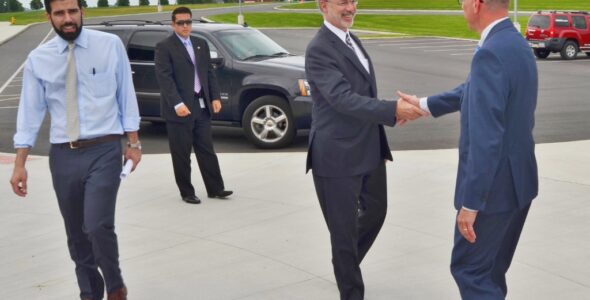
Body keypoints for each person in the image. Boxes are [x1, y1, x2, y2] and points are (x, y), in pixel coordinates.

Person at [398, 0, 538, 298]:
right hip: (519, 184)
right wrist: (424, 105)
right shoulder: (514, 42)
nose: (460, 5)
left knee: (470, 272)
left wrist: (471, 204)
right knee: (491, 272)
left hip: (492, 194)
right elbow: (473, 90)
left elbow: (486, 140)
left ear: (477, 4)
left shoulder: (490, 52)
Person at [9, 0, 141, 299]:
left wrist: (133, 143)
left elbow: (125, 94)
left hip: (104, 148)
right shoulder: (38, 59)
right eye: (59, 13)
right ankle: (90, 294)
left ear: (83, 11)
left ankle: (115, 286)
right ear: (49, 17)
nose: (67, 19)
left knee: (97, 225)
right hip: (63, 155)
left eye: (72, 11)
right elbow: (29, 114)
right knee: (76, 235)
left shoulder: (109, 45)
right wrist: (20, 163)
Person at [305, 1, 428, 299]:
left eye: (353, 1)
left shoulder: (351, 39)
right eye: (342, 2)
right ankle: (350, 288)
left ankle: (344, 263)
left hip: (368, 147)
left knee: (376, 211)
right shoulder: (319, 48)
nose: (351, 8)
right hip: (336, 154)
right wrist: (391, 110)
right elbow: (342, 99)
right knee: (343, 233)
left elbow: (361, 94)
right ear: (324, 5)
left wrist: (392, 112)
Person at [155, 6, 232, 205]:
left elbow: (208, 73)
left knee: (206, 149)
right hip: (180, 108)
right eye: (180, 23)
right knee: (181, 153)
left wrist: (214, 97)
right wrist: (177, 103)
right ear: (173, 25)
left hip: (201, 105)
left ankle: (216, 188)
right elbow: (165, 79)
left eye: (188, 22)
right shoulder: (165, 47)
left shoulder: (200, 44)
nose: (185, 26)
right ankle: (187, 192)